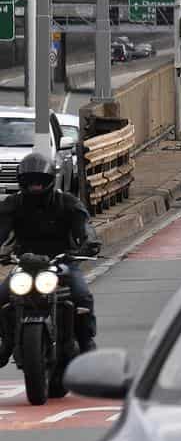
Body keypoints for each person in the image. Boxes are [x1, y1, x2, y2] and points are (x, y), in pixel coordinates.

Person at [0, 152, 100, 366]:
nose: (35, 186)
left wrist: (89, 244)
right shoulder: (12, 204)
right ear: (22, 182)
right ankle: (6, 341)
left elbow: (85, 227)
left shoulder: (67, 202)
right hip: (24, 264)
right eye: (30, 181)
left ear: (49, 180)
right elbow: (1, 229)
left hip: (61, 262)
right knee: (1, 295)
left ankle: (86, 342)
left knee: (82, 295)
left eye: (40, 181)